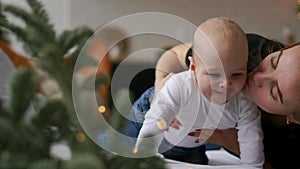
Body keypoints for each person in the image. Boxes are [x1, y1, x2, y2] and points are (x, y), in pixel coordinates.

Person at [123, 20, 300, 168]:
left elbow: (253, 153)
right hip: (160, 113)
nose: (256, 76)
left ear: (294, 118)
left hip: (194, 138)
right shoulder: (246, 49)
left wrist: (227, 139)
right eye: (274, 61)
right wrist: (162, 87)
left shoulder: (245, 106)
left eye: (273, 91)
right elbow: (175, 54)